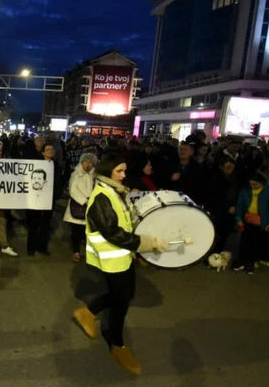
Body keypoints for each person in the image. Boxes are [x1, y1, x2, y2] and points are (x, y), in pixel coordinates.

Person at [72, 152, 170, 375]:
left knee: (124, 295)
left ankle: (88, 312)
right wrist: (148, 243)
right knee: (122, 300)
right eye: (119, 171)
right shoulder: (102, 198)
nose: (124, 175)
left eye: (124, 171)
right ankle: (117, 344)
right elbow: (113, 233)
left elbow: (124, 221)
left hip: (122, 255)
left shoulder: (113, 192)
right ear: (108, 172)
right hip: (112, 259)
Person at [234, 172, 269, 274]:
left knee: (255, 243)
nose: (253, 187)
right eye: (251, 184)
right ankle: (241, 261)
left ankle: (250, 263)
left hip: (261, 221)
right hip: (248, 219)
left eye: (255, 185)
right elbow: (240, 204)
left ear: (262, 182)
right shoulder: (245, 190)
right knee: (244, 241)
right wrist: (239, 218)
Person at [63, 153, 97, 262]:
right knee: (76, 230)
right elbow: (73, 190)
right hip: (78, 205)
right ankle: (76, 251)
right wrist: (84, 200)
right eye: (86, 161)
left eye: (90, 162)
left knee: (88, 230)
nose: (88, 164)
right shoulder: (76, 174)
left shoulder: (94, 176)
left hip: (90, 205)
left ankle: (90, 251)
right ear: (81, 162)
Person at [26, 143, 57, 256]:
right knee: (34, 224)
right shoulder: (36, 164)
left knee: (45, 225)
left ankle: (42, 247)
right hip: (36, 199)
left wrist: (56, 193)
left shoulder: (56, 164)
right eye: (47, 149)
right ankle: (31, 248)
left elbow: (59, 180)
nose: (50, 151)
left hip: (49, 199)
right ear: (43, 152)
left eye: (52, 149)